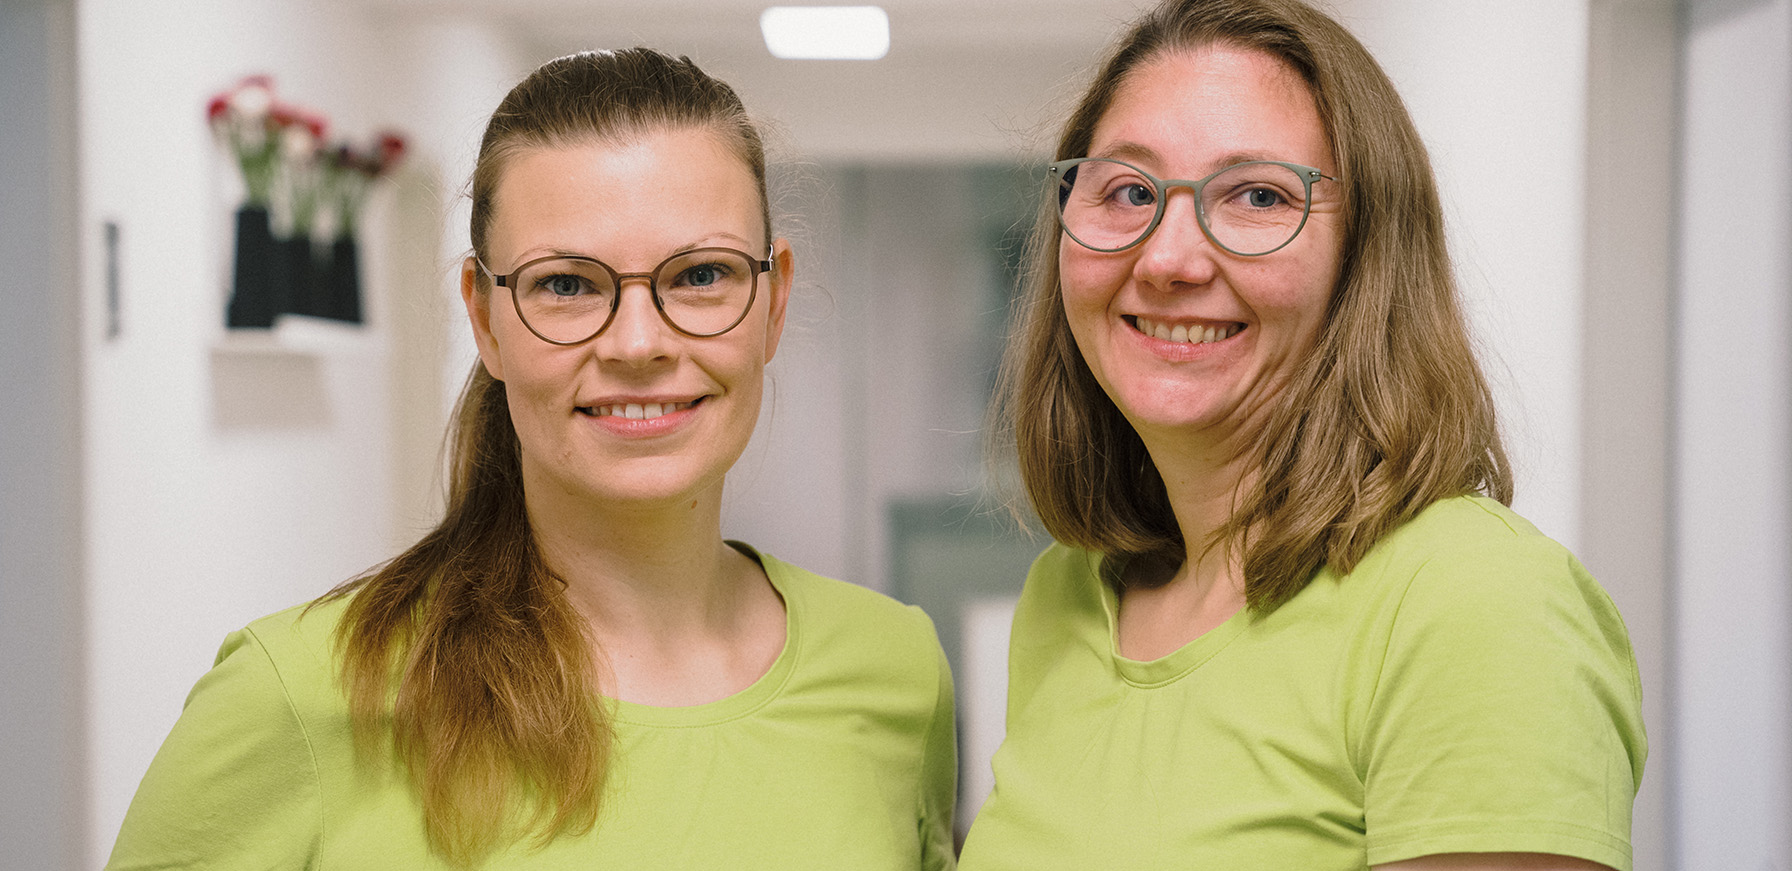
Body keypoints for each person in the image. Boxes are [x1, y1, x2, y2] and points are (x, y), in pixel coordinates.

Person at [107, 48, 956, 871]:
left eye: (701, 274)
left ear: (773, 302)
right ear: (484, 319)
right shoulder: (299, 697)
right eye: (566, 284)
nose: (638, 343)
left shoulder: (895, 671)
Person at [958, 1, 1645, 870]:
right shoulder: (1065, 598)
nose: (1168, 260)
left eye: (1257, 196)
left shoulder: (1475, 604)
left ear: (1367, 258)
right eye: (1129, 191)